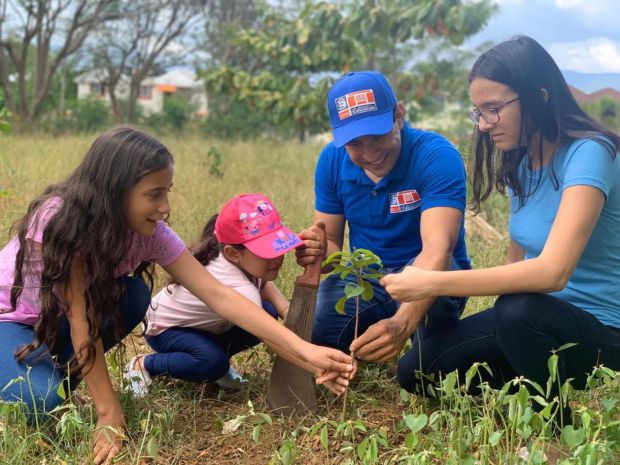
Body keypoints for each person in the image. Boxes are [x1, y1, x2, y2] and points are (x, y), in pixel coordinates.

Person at [0, 127, 353, 464]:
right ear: (113, 191)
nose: (166, 206)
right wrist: (108, 413)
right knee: (40, 404)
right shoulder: (61, 220)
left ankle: (59, 378)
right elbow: (83, 320)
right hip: (12, 322)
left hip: (57, 324)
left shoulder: (152, 233)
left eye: (167, 191)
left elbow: (221, 295)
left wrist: (306, 351)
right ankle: (40, 379)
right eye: (154, 194)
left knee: (133, 295)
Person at [381, 36, 620, 413]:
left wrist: (432, 280)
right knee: (417, 371)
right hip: (534, 325)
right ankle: (527, 381)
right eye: (478, 112)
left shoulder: (591, 154)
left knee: (517, 309)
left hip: (601, 332)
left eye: (493, 109)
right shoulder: (521, 165)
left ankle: (556, 427)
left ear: (539, 96)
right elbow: (515, 265)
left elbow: (552, 273)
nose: (485, 124)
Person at [296, 70, 471, 364]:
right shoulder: (331, 161)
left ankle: (420, 341)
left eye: (377, 137)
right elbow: (333, 244)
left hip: (430, 271)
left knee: (428, 364)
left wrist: (402, 323)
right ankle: (374, 337)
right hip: (367, 275)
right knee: (319, 330)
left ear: (398, 115)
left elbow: (438, 250)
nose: (370, 153)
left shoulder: (436, 156)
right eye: (355, 144)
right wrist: (319, 250)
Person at [126, 193, 329, 394]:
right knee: (211, 363)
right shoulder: (238, 285)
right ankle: (145, 364)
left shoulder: (237, 258)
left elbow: (263, 284)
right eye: (267, 252)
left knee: (267, 311)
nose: (277, 258)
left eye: (277, 248)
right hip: (165, 330)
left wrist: (284, 308)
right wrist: (315, 365)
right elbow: (271, 336)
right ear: (233, 253)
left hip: (204, 326)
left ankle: (214, 360)